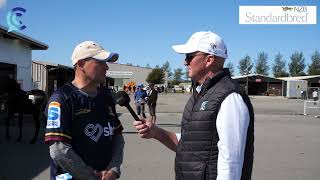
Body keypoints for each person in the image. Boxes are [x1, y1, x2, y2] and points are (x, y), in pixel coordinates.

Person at [133, 31, 254, 180]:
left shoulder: (229, 97)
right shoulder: (200, 93)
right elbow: (187, 143)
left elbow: (231, 163)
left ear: (209, 60)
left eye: (189, 57)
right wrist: (156, 132)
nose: (185, 62)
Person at [44, 41, 124, 180]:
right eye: (101, 62)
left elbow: (117, 137)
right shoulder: (61, 99)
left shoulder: (106, 98)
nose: (106, 67)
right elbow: (58, 150)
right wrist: (91, 176)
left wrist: (114, 169)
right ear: (81, 64)